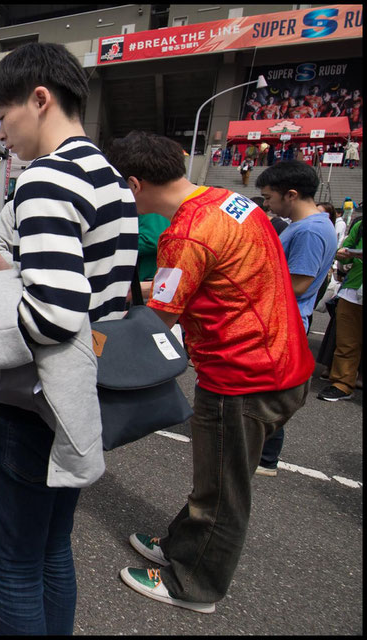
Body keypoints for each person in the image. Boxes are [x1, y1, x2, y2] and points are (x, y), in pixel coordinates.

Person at [0, 41, 137, 635]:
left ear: (40, 99)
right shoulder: (108, 175)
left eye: (4, 117)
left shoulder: (47, 180)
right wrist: (15, 275)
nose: (2, 134)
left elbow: (55, 315)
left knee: (13, 568)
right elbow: (94, 287)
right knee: (53, 550)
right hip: (83, 394)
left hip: (35, 401)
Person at [105, 131, 312, 615]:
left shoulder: (184, 234)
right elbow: (202, 280)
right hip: (286, 361)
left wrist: (95, 331)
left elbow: (159, 319)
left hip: (243, 377)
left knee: (222, 491)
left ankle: (194, 585)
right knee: (218, 479)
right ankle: (180, 545)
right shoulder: (233, 203)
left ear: (134, 184)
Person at [253, 161, 337, 475]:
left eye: (269, 197)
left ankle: (265, 457)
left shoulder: (310, 230)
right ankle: (264, 455)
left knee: (265, 398)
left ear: (291, 194)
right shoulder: (313, 225)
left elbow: (300, 281)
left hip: (283, 322)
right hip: (285, 320)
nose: (267, 204)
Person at [318, 218, 363, 401]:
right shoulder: (360, 226)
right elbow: (343, 251)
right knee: (347, 341)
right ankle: (342, 384)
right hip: (352, 289)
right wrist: (344, 254)